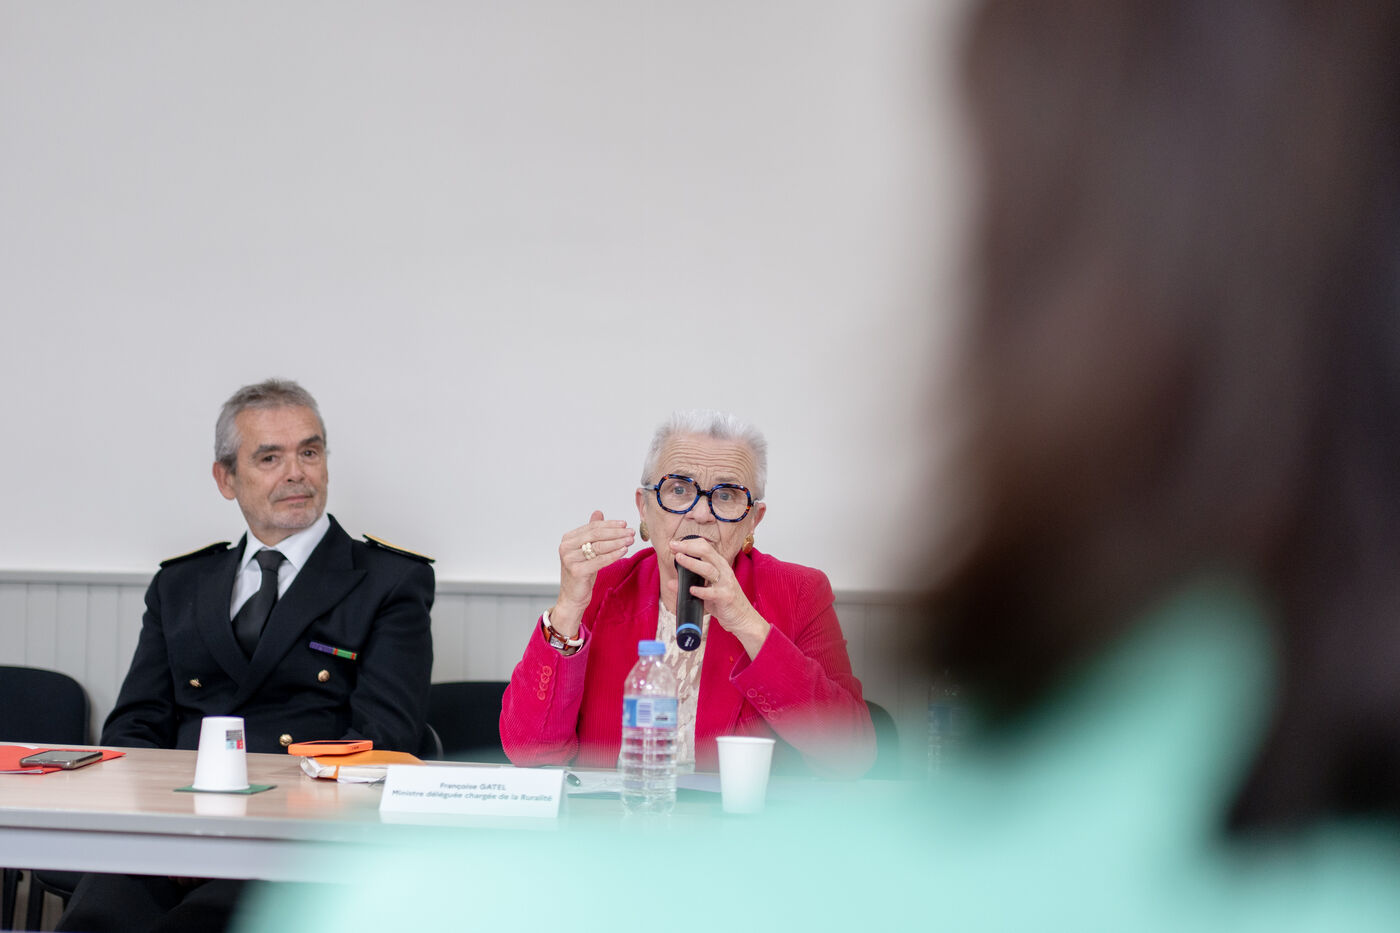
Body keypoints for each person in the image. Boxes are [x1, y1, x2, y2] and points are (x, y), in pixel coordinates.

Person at [59, 378, 435, 933]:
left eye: (310, 452)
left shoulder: (389, 581)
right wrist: (172, 829)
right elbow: (135, 727)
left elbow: (384, 741)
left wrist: (239, 833)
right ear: (226, 478)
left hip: (301, 841)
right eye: (269, 458)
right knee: (94, 923)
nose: (296, 473)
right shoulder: (180, 584)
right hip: (170, 831)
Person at [499, 409, 874, 777]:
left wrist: (747, 623)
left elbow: (851, 756)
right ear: (644, 507)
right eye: (679, 489)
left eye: (726, 495)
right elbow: (529, 752)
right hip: (619, 814)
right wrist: (569, 607)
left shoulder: (799, 593)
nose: (701, 513)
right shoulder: (603, 587)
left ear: (752, 520)